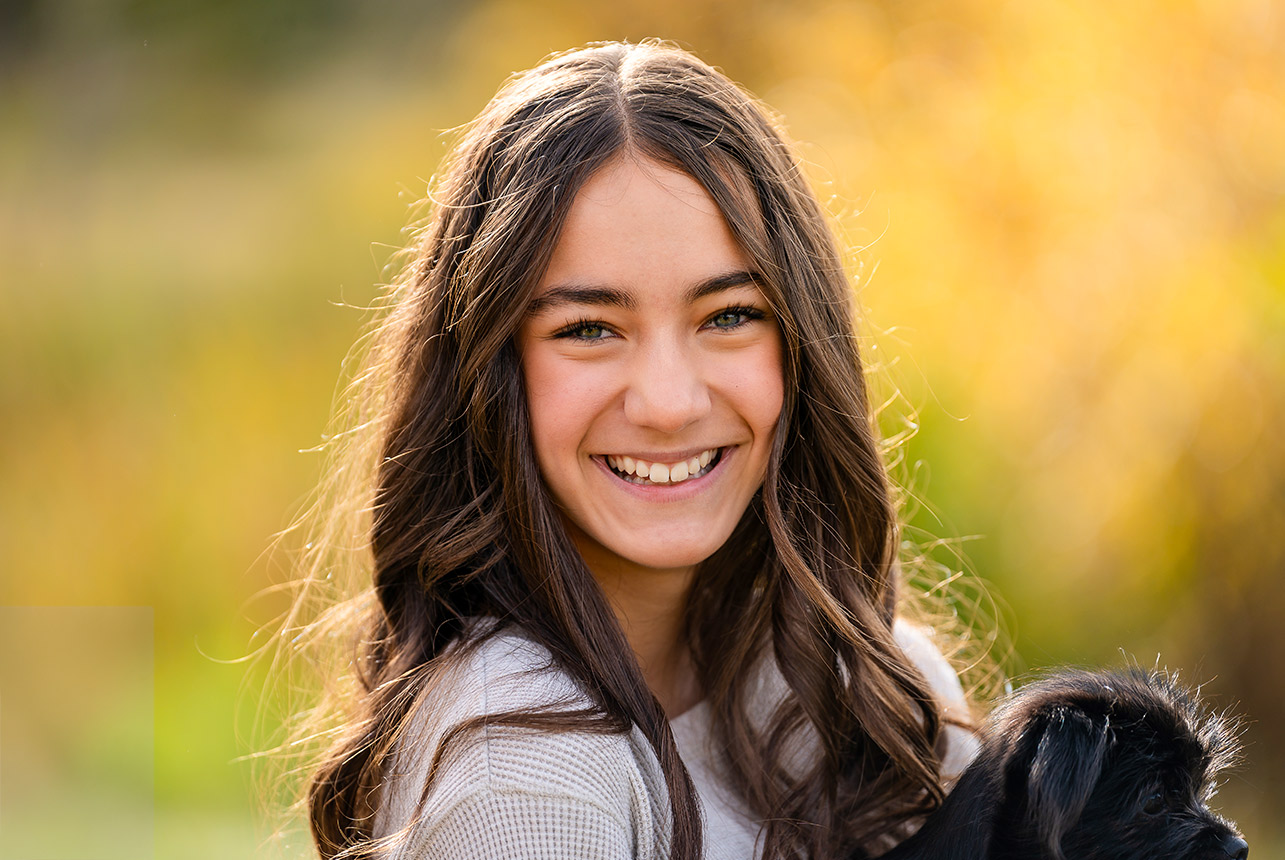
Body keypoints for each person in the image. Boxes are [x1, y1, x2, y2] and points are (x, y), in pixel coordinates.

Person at [295, 39, 978, 860]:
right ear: (487, 371)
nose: (667, 403)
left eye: (728, 316)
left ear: (803, 339)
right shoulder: (523, 780)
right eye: (588, 329)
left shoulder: (867, 686)